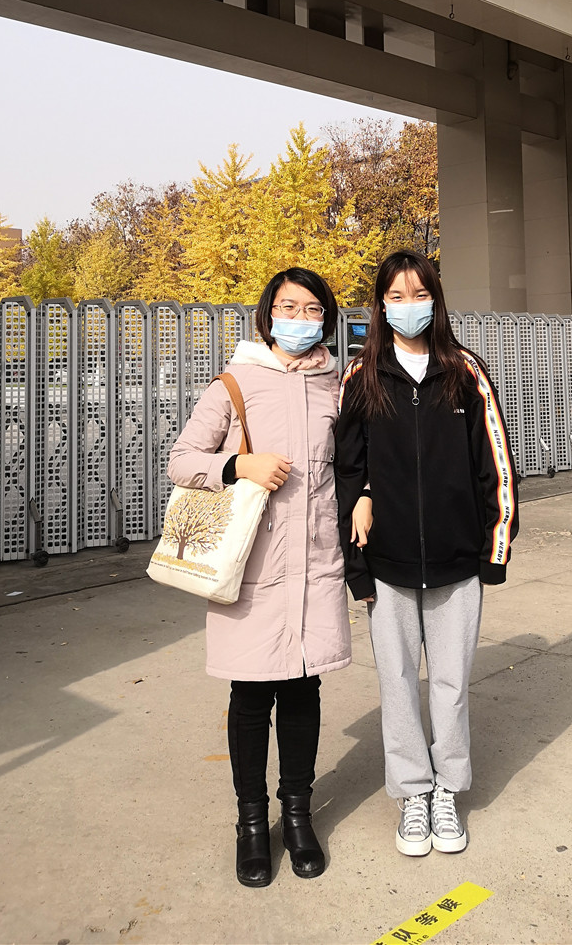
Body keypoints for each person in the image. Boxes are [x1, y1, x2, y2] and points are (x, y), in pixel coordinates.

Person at [168, 268, 350, 889]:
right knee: (250, 698)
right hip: (253, 566)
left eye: (312, 308)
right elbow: (182, 461)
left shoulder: (336, 386)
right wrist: (239, 464)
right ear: (267, 315)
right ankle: (251, 824)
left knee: (302, 691)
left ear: (327, 318)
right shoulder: (235, 382)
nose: (299, 318)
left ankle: (297, 816)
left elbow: (354, 464)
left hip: (315, 563)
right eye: (287, 307)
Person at [335, 250, 518, 857]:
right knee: (396, 684)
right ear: (380, 305)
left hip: (456, 562)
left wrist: (494, 548)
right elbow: (347, 471)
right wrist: (358, 566)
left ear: (435, 300)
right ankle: (413, 792)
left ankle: (448, 790)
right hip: (386, 565)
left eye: (419, 294)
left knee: (450, 684)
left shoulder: (465, 372)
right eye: (396, 296)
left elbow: (495, 463)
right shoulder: (361, 377)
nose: (408, 306)